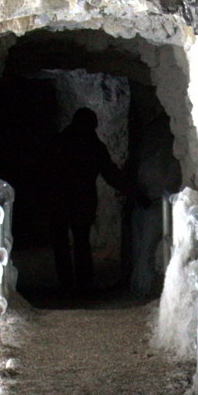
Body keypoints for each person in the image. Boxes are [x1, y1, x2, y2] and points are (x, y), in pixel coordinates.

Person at [44, 107, 128, 293]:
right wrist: (131, 189)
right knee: (81, 241)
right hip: (82, 198)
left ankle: (66, 283)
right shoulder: (94, 146)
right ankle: (84, 284)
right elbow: (110, 173)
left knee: (61, 242)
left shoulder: (59, 142)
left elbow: (45, 171)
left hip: (59, 198)